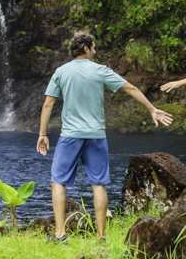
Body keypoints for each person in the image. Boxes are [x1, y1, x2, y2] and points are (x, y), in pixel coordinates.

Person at [36, 32, 173, 242]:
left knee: (58, 182)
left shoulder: (61, 72)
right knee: (98, 185)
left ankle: (60, 234)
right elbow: (130, 88)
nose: (96, 51)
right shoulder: (100, 71)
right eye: (94, 47)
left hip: (70, 135)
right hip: (96, 135)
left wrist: (43, 134)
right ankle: (101, 237)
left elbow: (48, 103)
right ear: (86, 48)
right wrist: (152, 109)